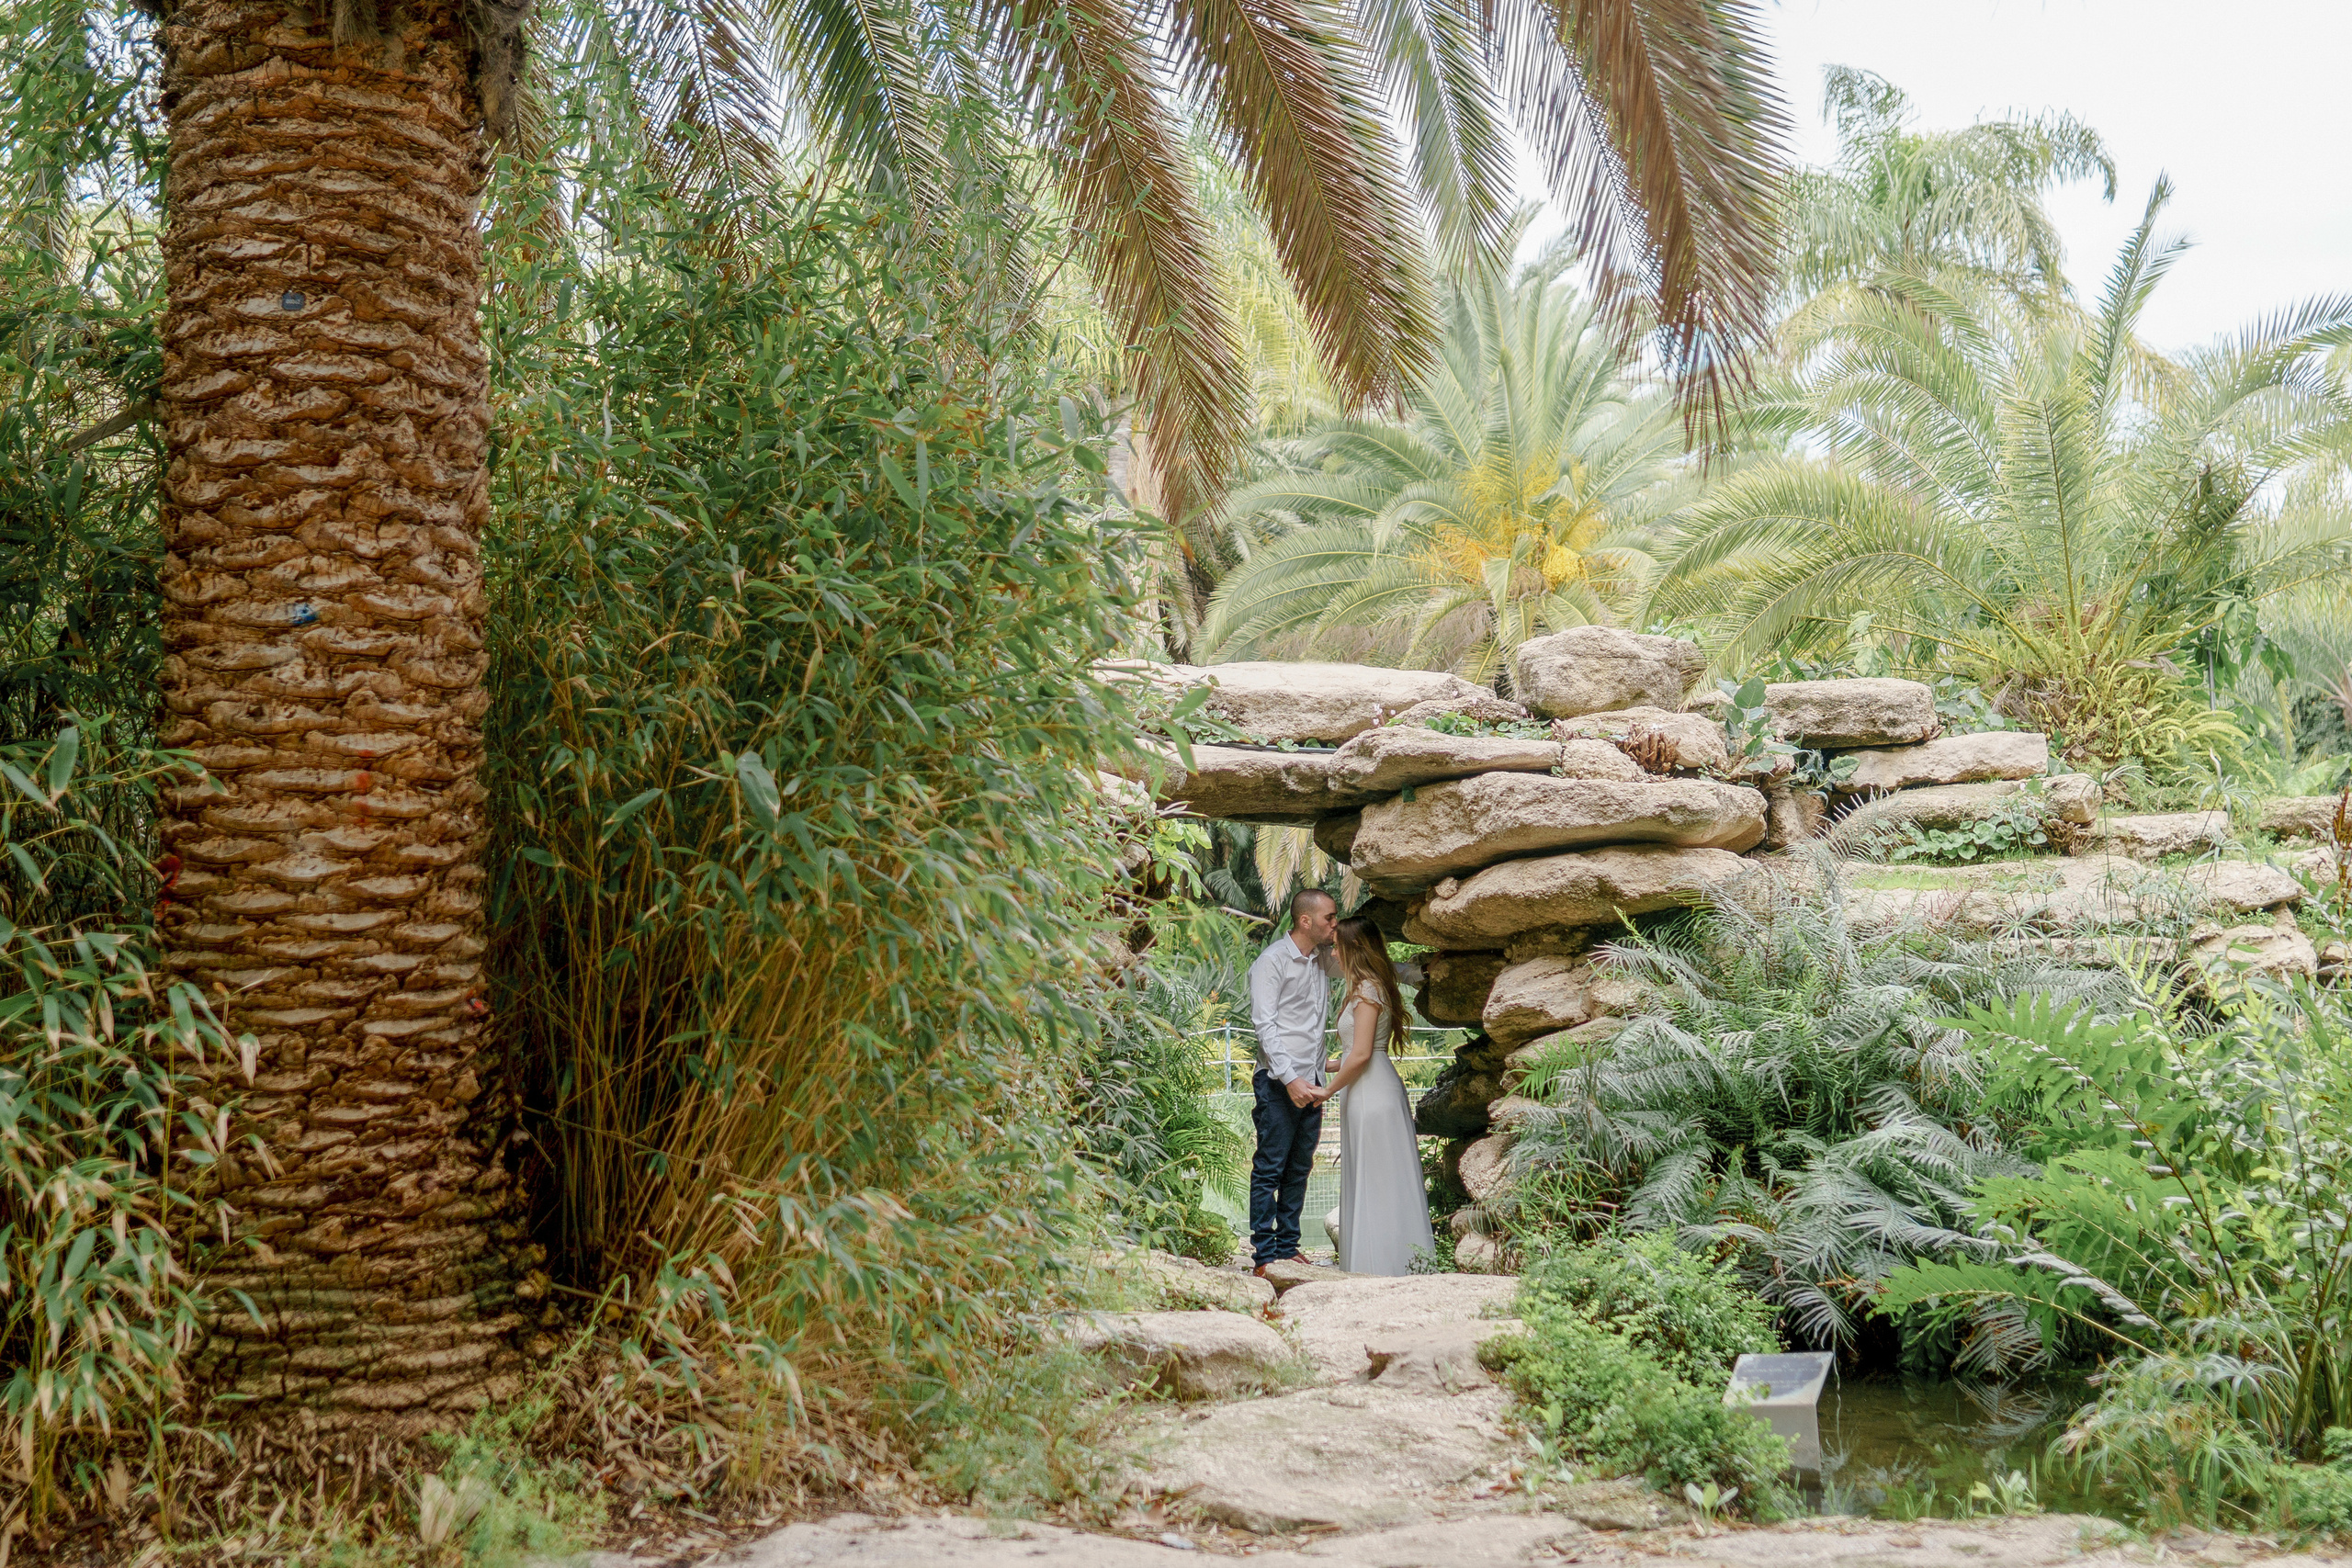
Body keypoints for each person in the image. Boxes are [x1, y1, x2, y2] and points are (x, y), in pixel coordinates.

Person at [1326, 915, 1435, 1274]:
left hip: (1371, 1091)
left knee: (1380, 1180)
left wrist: (1325, 1092)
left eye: (1336, 945)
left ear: (1352, 947)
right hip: (1365, 1087)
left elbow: (1360, 1055)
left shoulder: (1368, 989)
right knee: (1372, 1176)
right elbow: (1354, 1052)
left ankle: (1385, 1266)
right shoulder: (1365, 986)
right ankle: (1377, 1263)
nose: (1333, 953)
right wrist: (1315, 1066)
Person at [1246, 888, 1339, 1277]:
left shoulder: (1322, 961)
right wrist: (1291, 1079)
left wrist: (1417, 971)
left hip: (1314, 1084)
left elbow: (1367, 968)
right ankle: (1264, 1256)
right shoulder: (1271, 962)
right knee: (1270, 1168)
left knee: (1299, 1168)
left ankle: (1288, 1247)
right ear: (1305, 921)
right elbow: (1265, 1026)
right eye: (1330, 918)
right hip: (1278, 1083)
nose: (1335, 925)